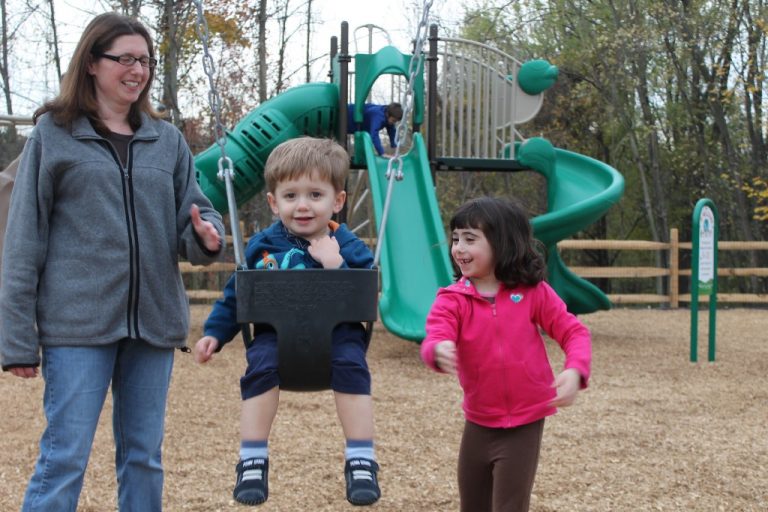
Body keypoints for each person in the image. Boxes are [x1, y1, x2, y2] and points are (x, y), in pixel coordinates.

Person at [0, 13, 225, 512]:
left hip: (152, 326)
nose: (137, 70)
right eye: (124, 58)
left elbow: (193, 212)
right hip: (76, 327)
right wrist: (17, 339)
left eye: (144, 60)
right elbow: (23, 240)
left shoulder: (165, 140)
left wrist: (207, 235)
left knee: (144, 457)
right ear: (92, 64)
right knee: (65, 458)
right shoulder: (52, 136)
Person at [194, 136, 381, 507]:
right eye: (291, 195)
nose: (303, 206)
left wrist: (335, 263)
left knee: (353, 366)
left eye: (315, 195)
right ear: (273, 201)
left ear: (337, 201)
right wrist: (214, 334)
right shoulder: (262, 246)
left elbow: (366, 292)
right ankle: (252, 460)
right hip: (274, 336)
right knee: (260, 367)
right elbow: (238, 293)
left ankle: (361, 458)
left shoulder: (349, 244)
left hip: (337, 336)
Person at [420, 196, 591, 512]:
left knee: (510, 506)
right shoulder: (452, 298)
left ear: (502, 243)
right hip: (479, 419)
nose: (459, 248)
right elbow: (437, 332)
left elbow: (573, 332)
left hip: (525, 422)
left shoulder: (532, 293)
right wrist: (437, 348)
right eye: (456, 239)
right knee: (473, 504)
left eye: (470, 239)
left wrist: (575, 369)